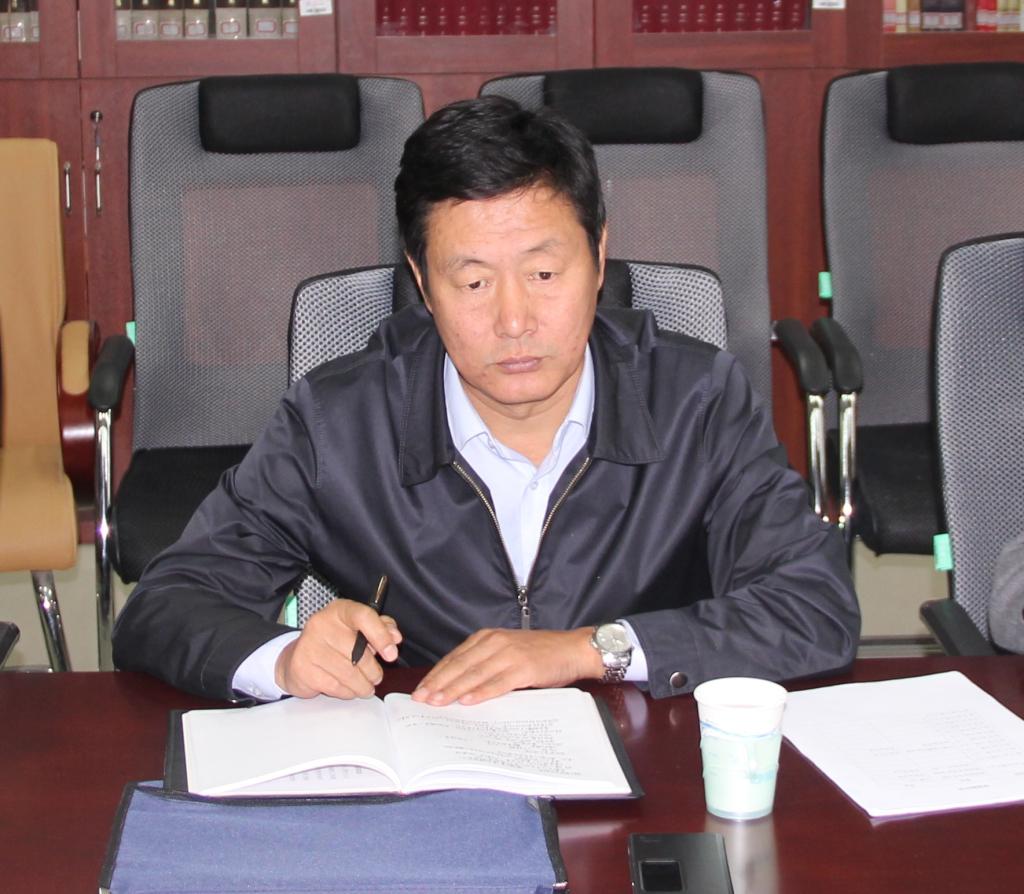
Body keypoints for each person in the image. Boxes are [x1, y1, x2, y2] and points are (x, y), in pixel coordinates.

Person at [112, 96, 859, 704]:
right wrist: (283, 661)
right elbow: (164, 605)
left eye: (544, 274)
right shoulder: (339, 424)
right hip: (436, 770)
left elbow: (814, 606)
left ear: (599, 256)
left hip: (647, 765)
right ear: (422, 281)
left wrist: (587, 651)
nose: (514, 321)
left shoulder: (696, 400)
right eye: (472, 282)